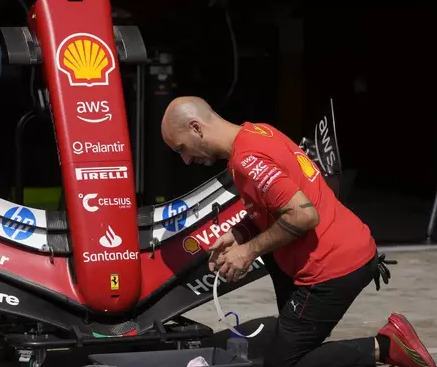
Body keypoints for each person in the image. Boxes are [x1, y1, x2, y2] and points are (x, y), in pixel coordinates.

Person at [160, 96, 436, 367]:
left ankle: (387, 346)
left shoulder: (248, 159)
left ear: (196, 128)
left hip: (330, 270)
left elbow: (303, 215)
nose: (185, 159)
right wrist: (240, 234)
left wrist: (247, 252)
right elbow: (276, 203)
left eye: (181, 148)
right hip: (345, 251)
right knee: (292, 345)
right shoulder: (258, 132)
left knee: (286, 363)